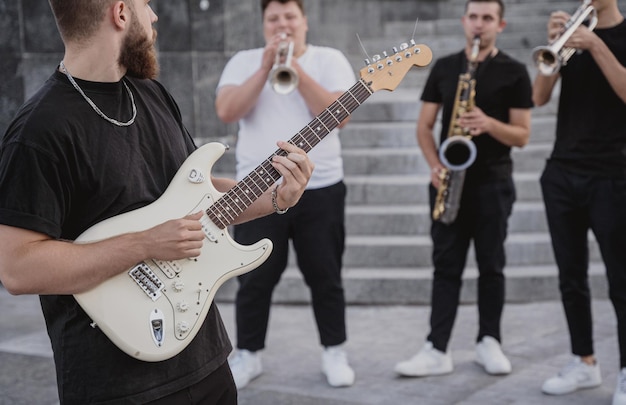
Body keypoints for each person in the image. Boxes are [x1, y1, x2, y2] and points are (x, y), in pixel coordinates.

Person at [0, 0, 315, 404]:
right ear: (120, 13)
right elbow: (18, 268)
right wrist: (144, 244)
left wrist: (276, 197)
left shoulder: (150, 93)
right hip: (114, 384)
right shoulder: (39, 130)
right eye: (145, 4)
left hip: (205, 361)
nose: (154, 16)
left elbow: (199, 192)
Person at [215, 0, 356, 389]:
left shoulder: (329, 59)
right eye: (273, 18)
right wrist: (266, 68)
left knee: (325, 274)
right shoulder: (244, 61)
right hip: (255, 190)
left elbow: (339, 117)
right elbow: (226, 111)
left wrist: (295, 70)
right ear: (263, 24)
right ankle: (248, 354)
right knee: (254, 279)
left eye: (290, 17)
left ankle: (334, 350)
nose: (282, 25)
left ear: (304, 21)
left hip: (321, 186)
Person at [394, 0, 532, 378]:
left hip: (493, 183)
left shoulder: (515, 71)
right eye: (473, 17)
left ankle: (490, 341)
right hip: (449, 181)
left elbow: (522, 135)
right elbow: (424, 127)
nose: (479, 25)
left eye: (487, 18)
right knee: (446, 267)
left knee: (492, 266)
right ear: (463, 21)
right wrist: (434, 164)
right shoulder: (444, 67)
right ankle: (437, 348)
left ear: (500, 25)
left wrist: (488, 124)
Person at [532, 0, 626, 403]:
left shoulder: (618, 36)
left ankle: (625, 371)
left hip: (613, 172)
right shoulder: (570, 33)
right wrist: (555, 46)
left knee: (622, 283)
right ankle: (583, 362)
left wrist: (596, 45)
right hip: (562, 172)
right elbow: (538, 97)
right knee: (571, 277)